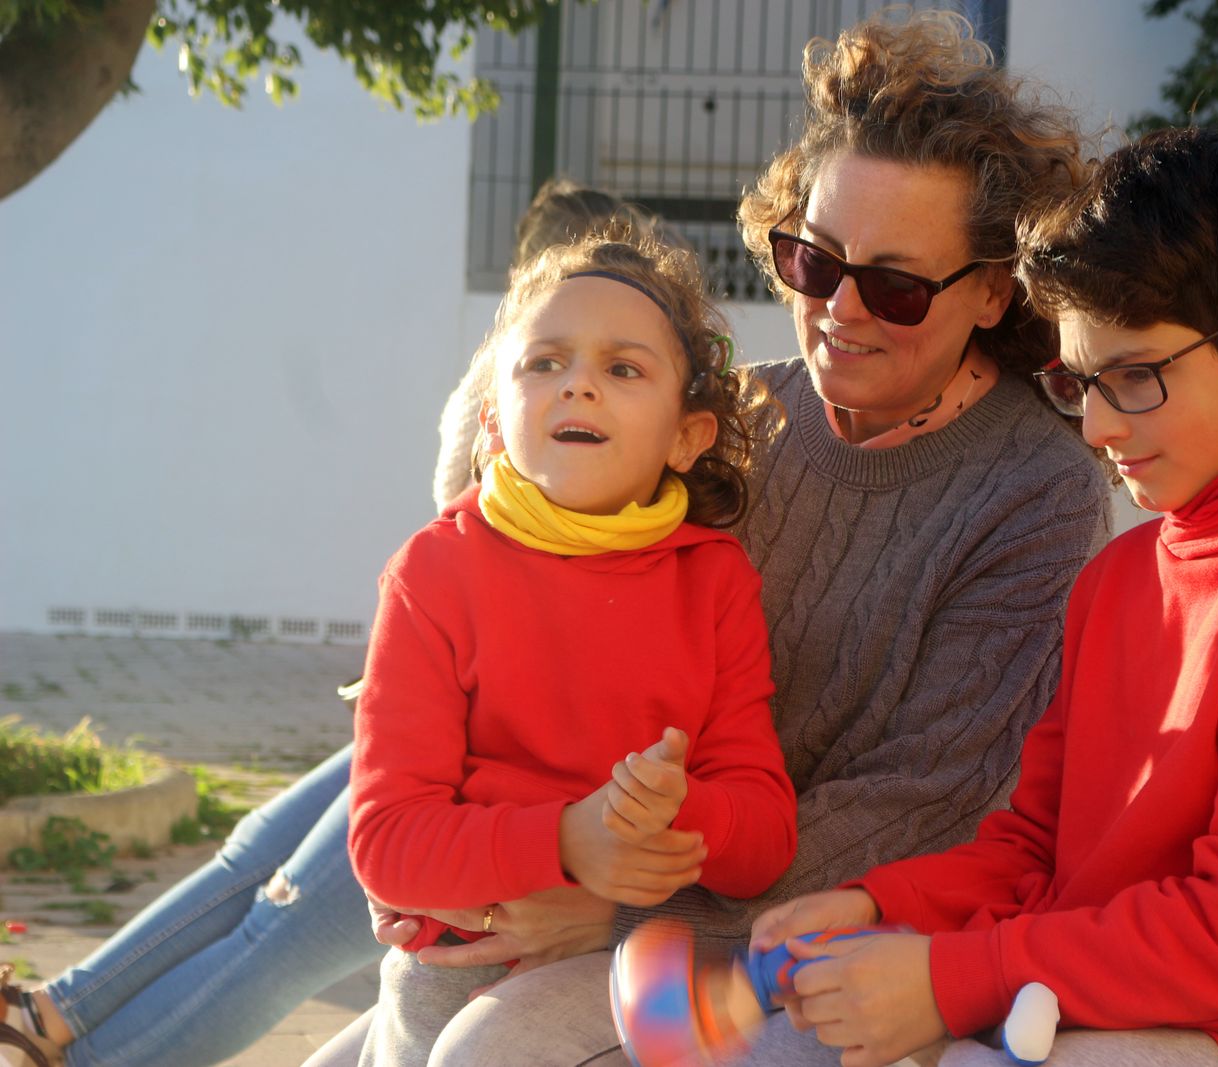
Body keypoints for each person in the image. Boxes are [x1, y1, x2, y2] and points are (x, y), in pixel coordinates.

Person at [317, 10, 1110, 1066]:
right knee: (336, 856)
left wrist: (607, 898)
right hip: (577, 853)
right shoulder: (748, 412)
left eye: (895, 285)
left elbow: (920, 807)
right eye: (813, 260)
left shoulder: (1032, 490)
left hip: (777, 932)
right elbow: (524, 525)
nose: (837, 310)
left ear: (989, 294)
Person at [747, 127, 1218, 1067]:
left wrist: (955, 976)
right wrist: (888, 906)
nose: (1099, 426)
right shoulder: (1127, 573)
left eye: (1137, 378)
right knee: (784, 1048)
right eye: (1079, 382)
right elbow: (1042, 846)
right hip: (1082, 1002)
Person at [0, 180, 685, 1067]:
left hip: (471, 769)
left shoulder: (586, 430)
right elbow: (459, 535)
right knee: (252, 869)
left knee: (274, 930)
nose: (580, 368)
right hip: (428, 725)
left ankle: (77, 1045)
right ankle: (58, 1010)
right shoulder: (509, 389)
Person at [348, 233, 798, 1067]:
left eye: (624, 369)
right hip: (456, 955)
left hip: (637, 957)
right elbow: (386, 844)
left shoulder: (715, 582)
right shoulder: (434, 571)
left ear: (687, 436)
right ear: (492, 419)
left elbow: (765, 833)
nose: (578, 382)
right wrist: (563, 839)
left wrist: (674, 810)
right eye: (544, 362)